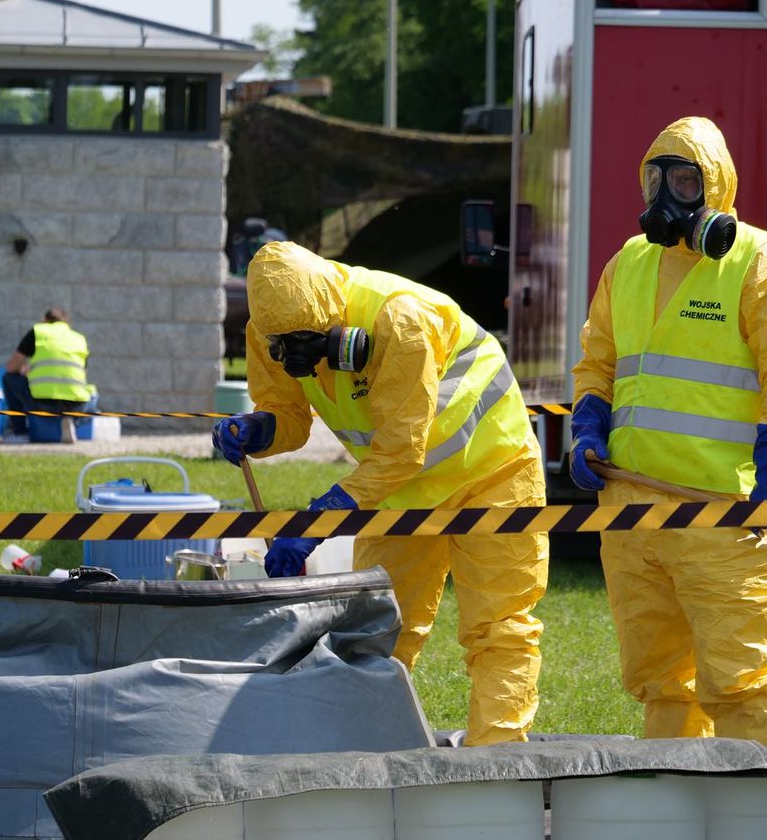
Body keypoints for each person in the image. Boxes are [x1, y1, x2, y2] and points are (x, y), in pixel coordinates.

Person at [212, 241, 549, 746]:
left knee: (498, 627)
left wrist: (318, 521)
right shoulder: (267, 329)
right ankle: (373, 756)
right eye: (283, 345)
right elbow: (289, 413)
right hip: (399, 489)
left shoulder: (399, 319)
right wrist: (260, 428)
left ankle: (495, 765)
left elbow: (400, 450)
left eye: (307, 341)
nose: (296, 356)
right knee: (378, 630)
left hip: (491, 474)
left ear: (334, 319)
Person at [570, 116, 767, 747]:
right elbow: (598, 360)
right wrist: (586, 424)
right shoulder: (628, 262)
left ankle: (766, 812)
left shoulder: (764, 264)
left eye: (684, 181)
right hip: (632, 515)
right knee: (661, 680)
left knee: (743, 679)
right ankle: (676, 804)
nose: (667, 199)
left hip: (725, 517)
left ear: (715, 188)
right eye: (656, 181)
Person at [2, 307, 97, 443]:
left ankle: (20, 432)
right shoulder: (79, 338)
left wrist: (28, 371)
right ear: (66, 323)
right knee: (92, 394)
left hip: (43, 404)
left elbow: (11, 367)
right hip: (76, 406)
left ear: (44, 320)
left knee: (9, 378)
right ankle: (72, 422)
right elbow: (83, 374)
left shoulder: (38, 332)